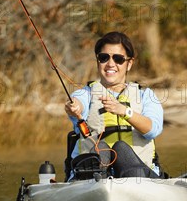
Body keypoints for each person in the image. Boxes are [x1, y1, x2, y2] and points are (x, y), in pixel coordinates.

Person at [64, 31, 164, 179]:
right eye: (104, 58)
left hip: (140, 175)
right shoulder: (84, 94)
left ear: (129, 64)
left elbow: (153, 130)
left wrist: (124, 111)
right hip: (91, 175)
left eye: (118, 59)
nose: (110, 64)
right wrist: (74, 107)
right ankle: (100, 180)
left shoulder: (146, 95)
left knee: (121, 149)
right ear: (98, 61)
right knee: (101, 149)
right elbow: (77, 103)